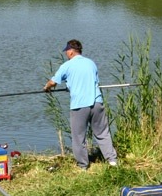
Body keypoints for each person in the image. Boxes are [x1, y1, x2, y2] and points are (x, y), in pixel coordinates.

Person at [43, 39, 118, 170]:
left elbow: (53, 82)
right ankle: (112, 161)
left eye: (67, 51)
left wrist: (46, 88)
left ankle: (83, 165)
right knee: (102, 133)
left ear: (71, 51)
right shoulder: (91, 63)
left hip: (79, 105)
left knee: (78, 137)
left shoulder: (67, 65)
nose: (66, 53)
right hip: (96, 103)